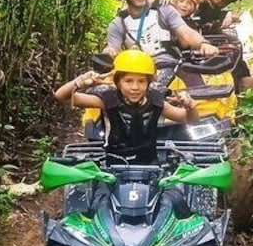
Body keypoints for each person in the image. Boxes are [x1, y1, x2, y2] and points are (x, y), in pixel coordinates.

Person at [54, 50, 199, 166]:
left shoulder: (156, 101)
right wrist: (81, 82)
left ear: (148, 83)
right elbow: (61, 96)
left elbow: (189, 119)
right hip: (114, 165)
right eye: (128, 81)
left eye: (141, 81)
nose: (135, 87)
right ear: (118, 82)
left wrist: (190, 106)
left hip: (150, 166)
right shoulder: (107, 100)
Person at [103, 0, 218, 69]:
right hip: (137, 71)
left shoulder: (163, 9)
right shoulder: (118, 24)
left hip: (169, 65)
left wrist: (203, 44)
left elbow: (185, 32)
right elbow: (113, 48)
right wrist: (108, 52)